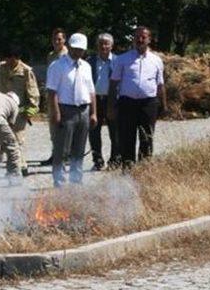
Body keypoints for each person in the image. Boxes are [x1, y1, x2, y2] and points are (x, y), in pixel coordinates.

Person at [107, 26, 167, 169]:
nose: (140, 40)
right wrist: (111, 106)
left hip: (148, 104)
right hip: (127, 103)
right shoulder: (122, 59)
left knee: (147, 137)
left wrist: (164, 106)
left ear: (149, 40)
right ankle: (127, 170)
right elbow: (113, 84)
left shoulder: (157, 60)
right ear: (133, 39)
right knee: (127, 137)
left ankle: (144, 171)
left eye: (143, 37)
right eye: (137, 37)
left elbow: (160, 84)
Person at [46, 33, 97, 187]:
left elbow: (91, 91)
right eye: (75, 48)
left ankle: (76, 182)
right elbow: (51, 92)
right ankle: (59, 183)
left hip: (83, 110)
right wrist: (56, 112)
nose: (77, 52)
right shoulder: (57, 66)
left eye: (81, 49)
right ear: (69, 46)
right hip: (65, 110)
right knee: (61, 150)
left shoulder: (86, 66)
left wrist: (94, 113)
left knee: (79, 150)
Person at [0, 44, 39, 176]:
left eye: (11, 58)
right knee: (6, 138)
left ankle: (20, 167)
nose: (8, 61)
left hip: (19, 111)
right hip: (1, 111)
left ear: (17, 57)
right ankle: (7, 157)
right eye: (6, 58)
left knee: (17, 139)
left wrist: (30, 111)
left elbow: (33, 93)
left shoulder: (26, 71)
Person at [87, 33, 119, 170]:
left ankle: (115, 160)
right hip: (95, 101)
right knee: (94, 131)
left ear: (111, 45)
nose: (103, 46)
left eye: (106, 43)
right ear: (97, 46)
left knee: (115, 132)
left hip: (112, 100)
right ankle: (97, 160)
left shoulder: (118, 61)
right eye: (101, 43)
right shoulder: (90, 61)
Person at [40, 28, 69, 166]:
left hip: (65, 96)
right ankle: (55, 154)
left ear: (64, 40)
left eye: (59, 39)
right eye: (54, 39)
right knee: (53, 127)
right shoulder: (50, 55)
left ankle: (66, 155)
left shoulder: (69, 55)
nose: (57, 42)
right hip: (52, 95)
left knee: (65, 127)